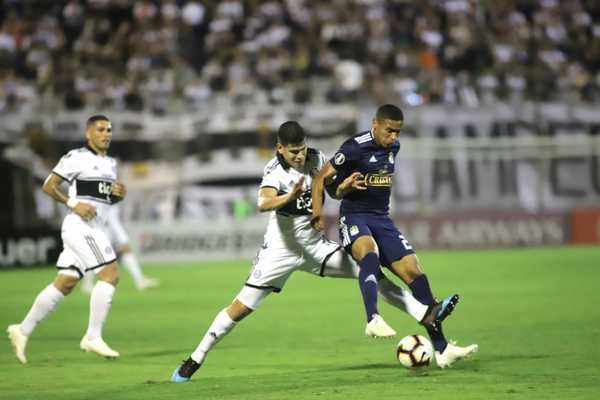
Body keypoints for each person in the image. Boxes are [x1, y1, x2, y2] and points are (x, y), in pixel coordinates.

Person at [170, 121, 448, 382]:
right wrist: (287, 197)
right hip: (280, 252)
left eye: (302, 149)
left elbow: (333, 191)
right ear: (280, 149)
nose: (300, 156)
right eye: (293, 152)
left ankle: (425, 313)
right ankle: (196, 357)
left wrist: (344, 187)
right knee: (240, 308)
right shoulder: (274, 171)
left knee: (370, 270)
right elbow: (264, 203)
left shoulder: (316, 159)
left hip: (316, 248)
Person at [311, 104, 478, 368]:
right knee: (369, 253)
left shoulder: (393, 148)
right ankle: (373, 319)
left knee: (414, 272)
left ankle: (442, 349)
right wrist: (320, 211)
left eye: (398, 132)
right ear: (375, 124)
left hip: (381, 218)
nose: (394, 137)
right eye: (389, 131)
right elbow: (322, 180)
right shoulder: (354, 147)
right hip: (354, 216)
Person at [7, 115, 124, 363]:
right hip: (80, 226)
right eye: (100, 129)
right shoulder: (76, 157)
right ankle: (93, 337)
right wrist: (72, 203)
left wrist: (117, 195)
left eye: (109, 130)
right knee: (110, 274)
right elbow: (49, 185)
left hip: (93, 226)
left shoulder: (111, 164)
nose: (106, 134)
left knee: (66, 282)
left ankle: (22, 329)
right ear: (88, 134)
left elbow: (101, 201)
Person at [81, 204, 159, 293]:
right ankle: (87, 284)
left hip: (111, 226)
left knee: (125, 250)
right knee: (97, 255)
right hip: (107, 227)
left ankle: (140, 280)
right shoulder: (107, 197)